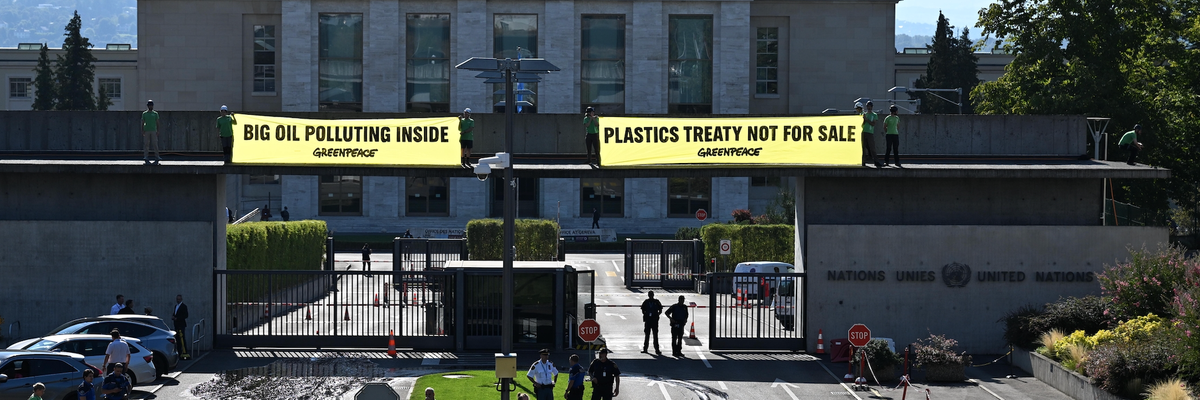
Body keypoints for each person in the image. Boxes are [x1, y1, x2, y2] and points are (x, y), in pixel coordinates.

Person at [858, 101, 882, 168]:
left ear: (872, 107)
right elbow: (861, 124)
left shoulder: (874, 115)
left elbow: (873, 124)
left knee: (872, 148)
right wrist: (864, 119)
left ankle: (876, 161)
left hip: (870, 132)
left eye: (870, 106)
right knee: (863, 148)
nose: (869, 107)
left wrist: (866, 119)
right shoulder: (864, 114)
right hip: (863, 131)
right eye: (868, 106)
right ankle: (863, 161)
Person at [141, 100, 161, 164]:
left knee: (155, 143)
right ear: (148, 106)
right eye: (149, 105)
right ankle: (146, 156)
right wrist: (142, 130)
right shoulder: (144, 114)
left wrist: (158, 130)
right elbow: (142, 122)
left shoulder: (155, 114)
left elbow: (157, 122)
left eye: (151, 105)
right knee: (146, 144)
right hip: (146, 130)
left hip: (153, 130)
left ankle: (157, 156)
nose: (150, 106)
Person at [172, 294, 190, 359]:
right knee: (177, 339)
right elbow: (175, 313)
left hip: (181, 324)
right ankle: (179, 352)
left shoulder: (184, 306)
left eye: (179, 299)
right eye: (177, 299)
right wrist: (173, 317)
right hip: (176, 324)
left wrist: (178, 318)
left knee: (182, 338)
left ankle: (184, 352)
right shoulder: (176, 306)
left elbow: (186, 315)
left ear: (181, 299)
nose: (178, 300)